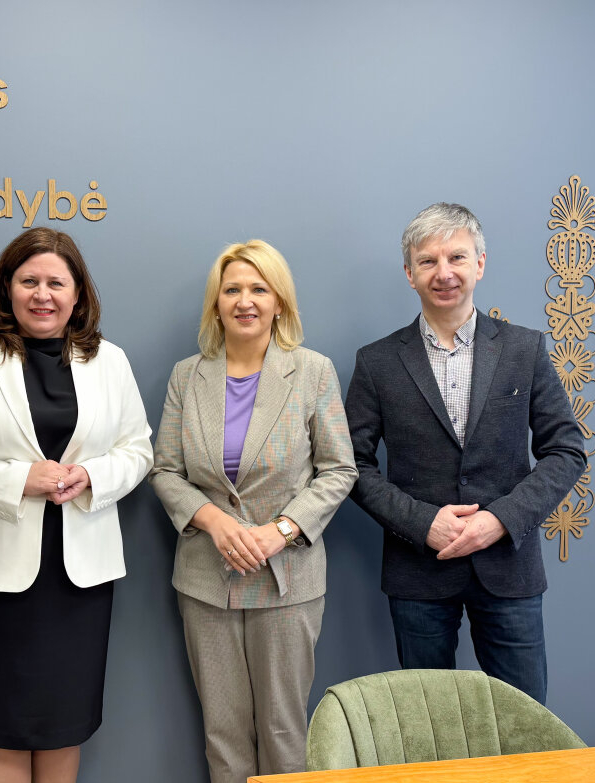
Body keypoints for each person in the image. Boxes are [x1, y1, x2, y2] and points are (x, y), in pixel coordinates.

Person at [0, 227, 152, 783]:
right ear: (7, 287)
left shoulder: (110, 361)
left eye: (56, 283)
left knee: (62, 725)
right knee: (2, 727)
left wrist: (91, 475)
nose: (42, 294)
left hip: (78, 580)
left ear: (78, 294)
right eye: (28, 281)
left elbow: (139, 450)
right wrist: (19, 479)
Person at [344, 202, 586, 704]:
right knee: (427, 726)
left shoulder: (524, 349)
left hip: (509, 567)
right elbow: (352, 466)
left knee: (526, 723)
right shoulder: (377, 362)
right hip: (419, 572)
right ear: (409, 273)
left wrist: (499, 520)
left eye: (456, 257)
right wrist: (423, 523)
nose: (444, 272)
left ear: (480, 264)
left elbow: (566, 451)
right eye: (428, 261)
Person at [150, 240, 357, 783]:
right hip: (206, 579)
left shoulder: (313, 372)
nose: (245, 301)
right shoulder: (187, 376)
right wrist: (214, 521)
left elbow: (339, 469)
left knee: (284, 731)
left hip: (286, 579)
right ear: (216, 304)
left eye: (259, 289)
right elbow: (165, 470)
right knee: (222, 733)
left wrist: (281, 531)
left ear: (279, 303)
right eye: (233, 290)